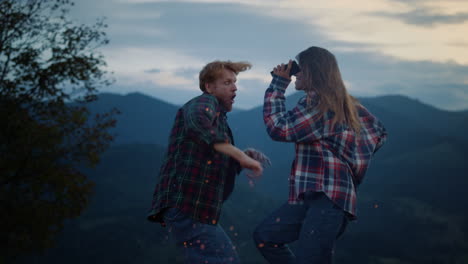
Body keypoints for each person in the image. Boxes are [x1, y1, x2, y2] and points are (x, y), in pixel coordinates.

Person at [253, 46, 387, 264]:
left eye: (300, 69)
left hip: (328, 198)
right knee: (265, 237)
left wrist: (278, 84)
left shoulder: (321, 103)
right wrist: (350, 154)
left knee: (309, 258)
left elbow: (279, 128)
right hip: (312, 194)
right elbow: (379, 134)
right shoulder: (344, 104)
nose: (295, 74)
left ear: (314, 72)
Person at [147, 60, 270, 264]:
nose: (235, 87)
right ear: (209, 87)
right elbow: (199, 126)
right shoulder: (204, 103)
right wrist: (241, 156)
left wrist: (241, 157)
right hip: (187, 206)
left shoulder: (219, 118)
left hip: (195, 209)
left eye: (235, 82)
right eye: (227, 82)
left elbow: (209, 155)